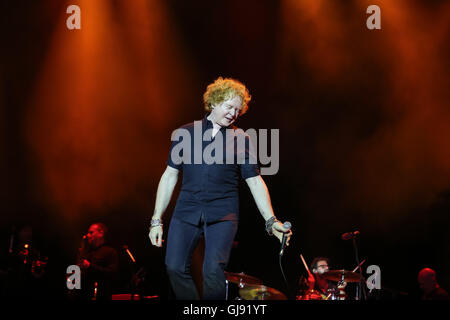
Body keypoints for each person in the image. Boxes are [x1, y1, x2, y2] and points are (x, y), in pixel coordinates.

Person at [148, 77, 292, 300]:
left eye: (238, 110)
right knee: (174, 267)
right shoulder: (185, 133)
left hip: (224, 214)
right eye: (229, 107)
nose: (233, 113)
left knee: (213, 272)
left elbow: (254, 181)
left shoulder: (241, 139)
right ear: (214, 102)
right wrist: (157, 219)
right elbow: (169, 176)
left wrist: (271, 220)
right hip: (186, 211)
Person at [76, 223, 119, 300]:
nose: (88, 235)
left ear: (101, 233)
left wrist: (90, 266)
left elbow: (112, 273)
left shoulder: (110, 252)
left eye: (91, 232)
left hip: (101, 296)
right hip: (83, 296)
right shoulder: (87, 252)